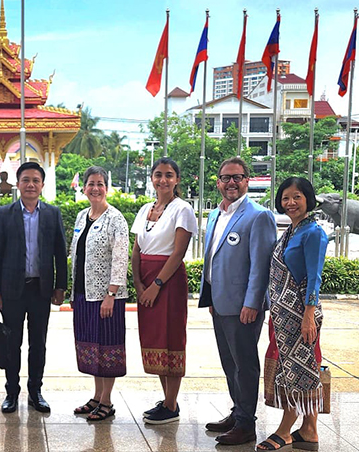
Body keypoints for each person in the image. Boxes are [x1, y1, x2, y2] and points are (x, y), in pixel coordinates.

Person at [199, 156, 277, 446]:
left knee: (244, 364)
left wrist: (253, 302)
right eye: (226, 177)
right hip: (219, 303)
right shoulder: (215, 214)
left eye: (237, 177)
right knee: (228, 362)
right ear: (218, 182)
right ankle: (237, 411)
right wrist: (210, 294)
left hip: (244, 306)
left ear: (247, 181)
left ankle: (246, 424)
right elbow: (213, 258)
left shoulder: (258, 215)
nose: (231, 182)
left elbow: (261, 265)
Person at [256, 177, 329, 452]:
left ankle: (285, 430)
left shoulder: (314, 233)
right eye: (286, 198)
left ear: (308, 199)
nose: (291, 203)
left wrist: (309, 314)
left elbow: (314, 277)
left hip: (300, 314)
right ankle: (309, 430)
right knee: (303, 366)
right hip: (282, 315)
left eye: (297, 197)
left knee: (297, 369)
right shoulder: (291, 231)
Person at [0, 161, 68, 414]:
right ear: (18, 184)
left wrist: (60, 287)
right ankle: (12, 392)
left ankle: (36, 391)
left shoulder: (52, 213)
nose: (31, 184)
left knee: (39, 343)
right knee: (12, 343)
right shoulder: (3, 214)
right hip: (11, 290)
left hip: (40, 290)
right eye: (26, 180)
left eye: (36, 180)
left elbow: (60, 252)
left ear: (42, 185)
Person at [130, 158, 196, 425]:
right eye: (158, 175)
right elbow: (137, 249)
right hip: (145, 279)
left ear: (177, 180)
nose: (163, 180)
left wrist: (156, 285)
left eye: (169, 175)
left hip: (168, 281)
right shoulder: (146, 208)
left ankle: (171, 404)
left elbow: (178, 252)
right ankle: (167, 399)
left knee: (171, 337)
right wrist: (138, 283)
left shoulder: (183, 209)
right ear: (152, 179)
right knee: (155, 338)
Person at [69, 166, 129, 422]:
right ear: (84, 187)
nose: (95, 188)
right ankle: (96, 396)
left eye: (100, 183)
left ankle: (107, 401)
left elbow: (120, 257)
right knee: (92, 347)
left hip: (106, 297)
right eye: (91, 183)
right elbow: (76, 254)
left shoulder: (116, 219)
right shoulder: (82, 216)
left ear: (107, 187)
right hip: (84, 293)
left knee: (108, 347)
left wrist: (111, 293)